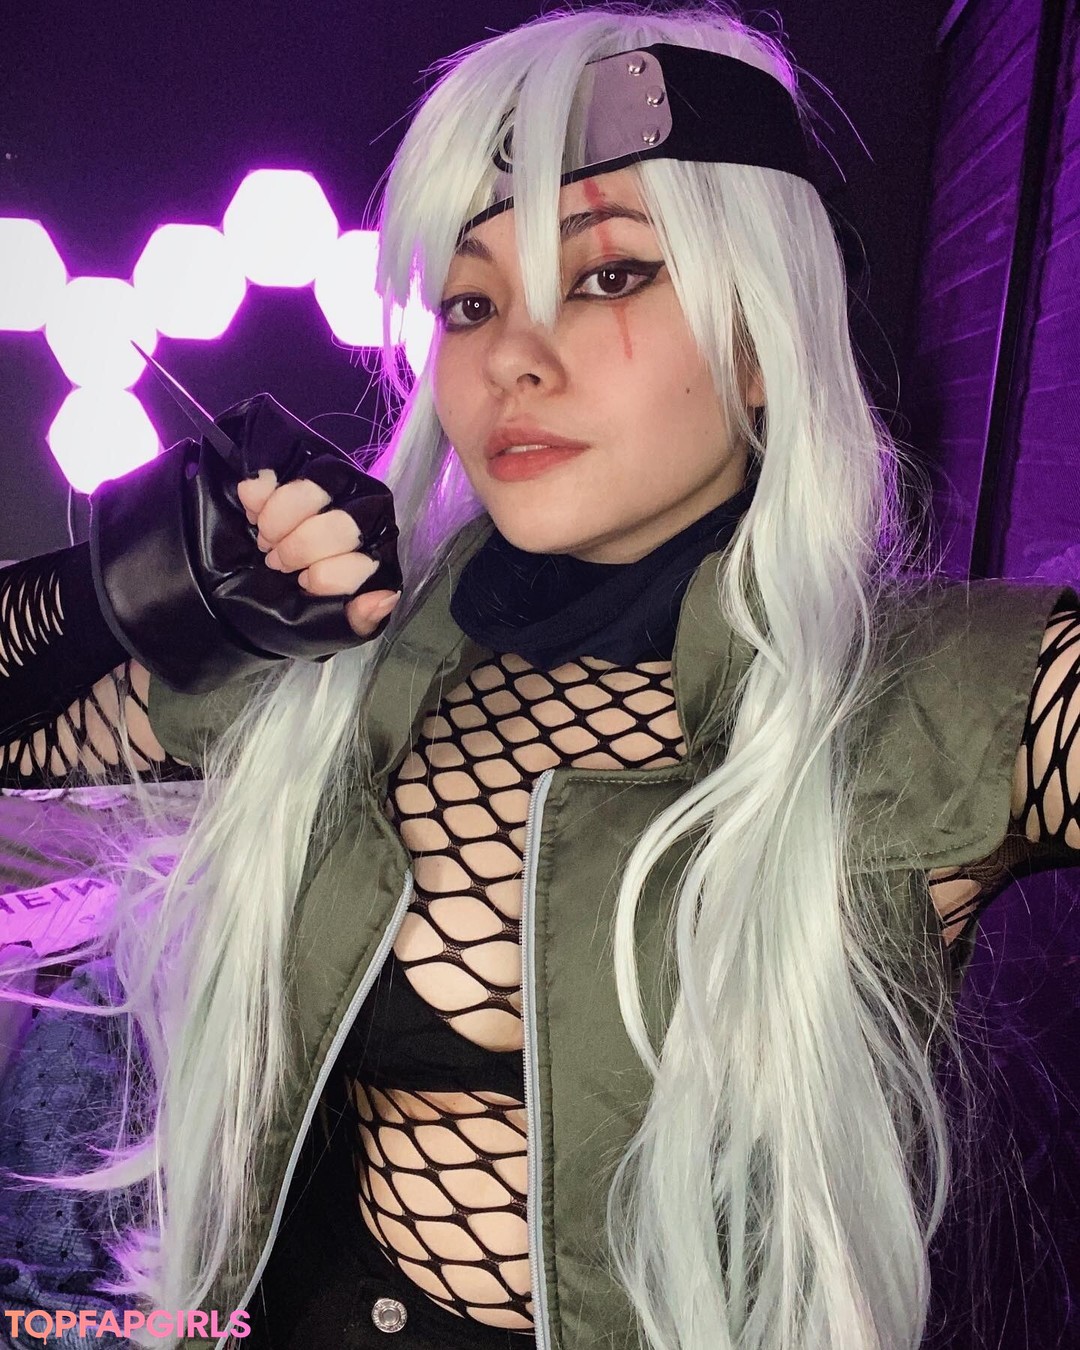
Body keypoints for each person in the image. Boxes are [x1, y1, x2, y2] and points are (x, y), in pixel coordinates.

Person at [0, 4, 1078, 1348]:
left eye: (609, 274)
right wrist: (120, 585)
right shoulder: (340, 661)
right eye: (471, 301)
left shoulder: (934, 694)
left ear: (762, 335)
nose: (513, 352)